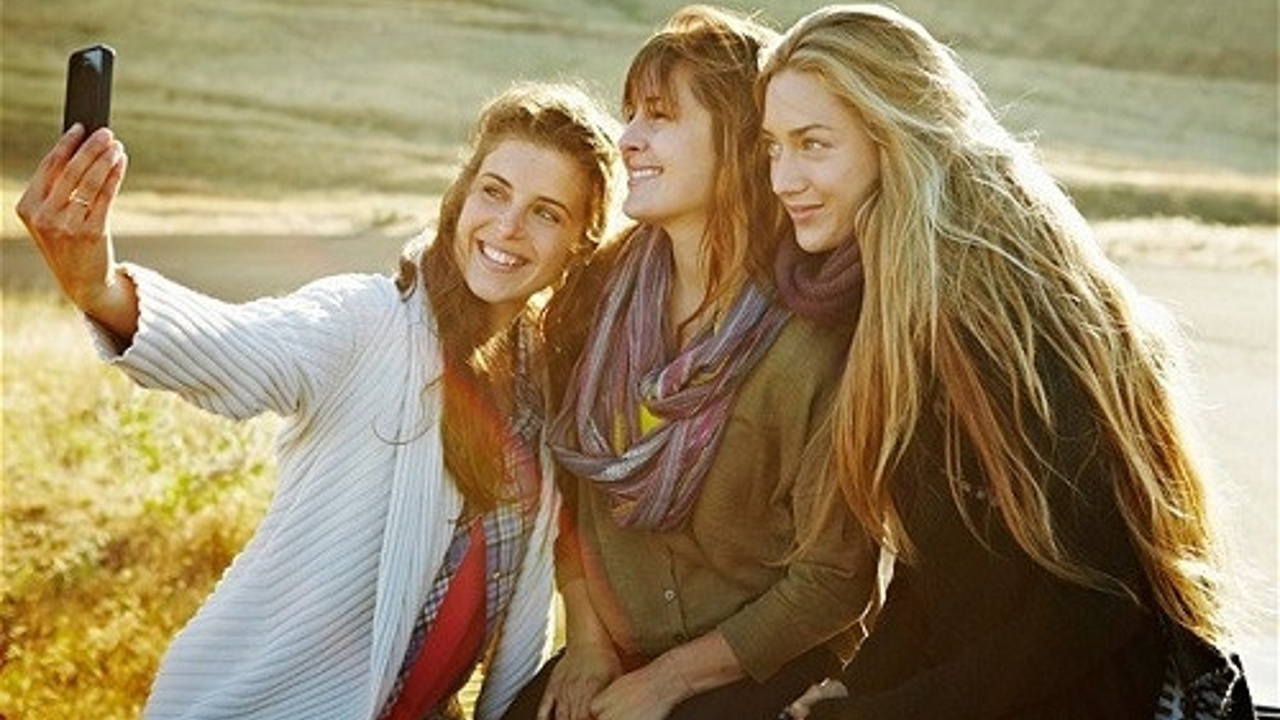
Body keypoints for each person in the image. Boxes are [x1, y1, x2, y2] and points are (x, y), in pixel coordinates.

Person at [15, 80, 622, 720]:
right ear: (462, 195)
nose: (508, 226)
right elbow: (238, 346)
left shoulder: (547, 380)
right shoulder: (372, 318)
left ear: (580, 244)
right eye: (494, 192)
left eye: (546, 212)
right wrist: (101, 290)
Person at [756, 4, 1255, 719]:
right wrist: (857, 686)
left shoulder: (1006, 318)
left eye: (812, 144)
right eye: (773, 147)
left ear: (894, 134)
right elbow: (942, 569)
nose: (783, 178)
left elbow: (1089, 608)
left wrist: (880, 713)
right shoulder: (905, 297)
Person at [499, 7, 874, 720]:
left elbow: (834, 580)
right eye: (630, 116)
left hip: (765, 667)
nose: (628, 140)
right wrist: (587, 642)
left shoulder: (816, 340)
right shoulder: (592, 299)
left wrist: (668, 683)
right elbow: (572, 495)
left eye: (660, 116)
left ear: (739, 140)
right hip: (616, 652)